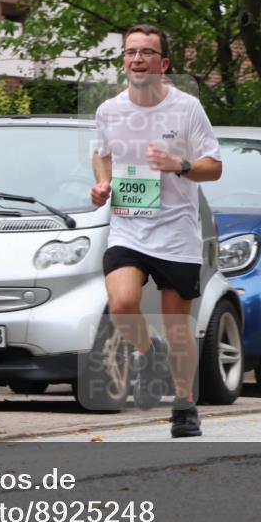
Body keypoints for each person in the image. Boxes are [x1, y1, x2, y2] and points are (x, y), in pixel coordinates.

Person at [91, 24, 222, 438]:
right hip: (128, 227)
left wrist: (179, 165)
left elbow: (214, 167)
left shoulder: (187, 109)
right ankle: (148, 355)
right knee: (122, 304)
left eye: (146, 52)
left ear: (163, 64)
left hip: (176, 232)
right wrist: (102, 183)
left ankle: (184, 405)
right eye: (131, 52)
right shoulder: (109, 110)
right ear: (124, 61)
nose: (137, 59)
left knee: (177, 326)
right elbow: (102, 154)